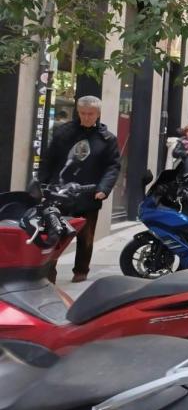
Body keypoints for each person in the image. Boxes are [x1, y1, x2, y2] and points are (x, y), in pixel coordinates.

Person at [38, 96, 121, 283]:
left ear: (98, 114)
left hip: (88, 194)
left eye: (90, 114)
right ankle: (49, 271)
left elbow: (113, 166)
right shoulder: (63, 132)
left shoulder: (107, 139)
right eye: (82, 113)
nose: (86, 117)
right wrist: (42, 183)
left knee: (86, 236)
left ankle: (81, 271)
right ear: (78, 112)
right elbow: (48, 160)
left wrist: (103, 188)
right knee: (54, 233)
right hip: (58, 192)